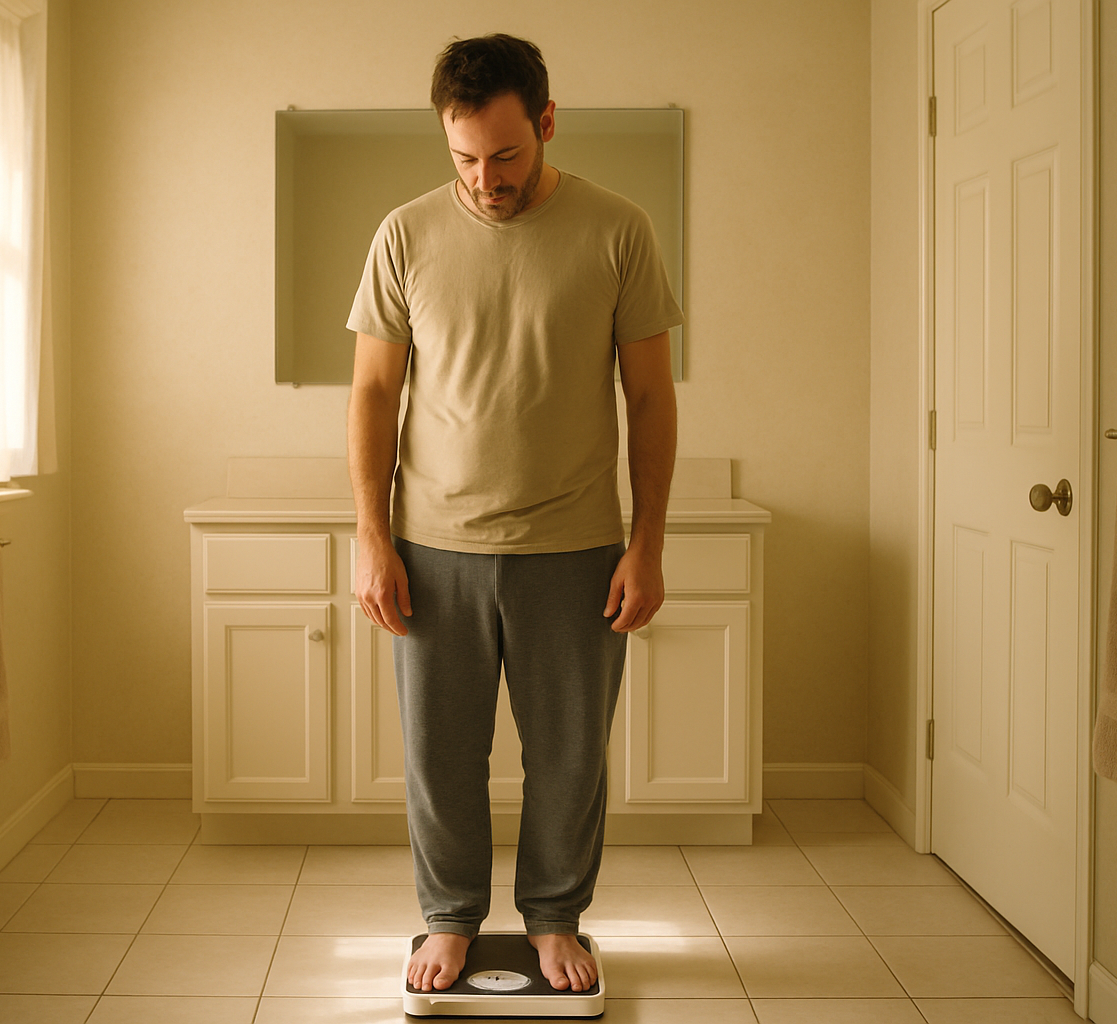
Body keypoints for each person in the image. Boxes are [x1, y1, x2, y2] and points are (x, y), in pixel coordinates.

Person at [346, 33, 682, 996]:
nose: (484, 180)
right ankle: (449, 918)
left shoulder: (618, 230)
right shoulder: (404, 235)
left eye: (505, 155)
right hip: (432, 546)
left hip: (575, 546)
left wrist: (647, 543)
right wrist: (372, 539)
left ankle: (553, 920)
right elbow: (373, 392)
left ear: (544, 123)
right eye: (463, 158)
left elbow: (650, 399)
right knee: (439, 755)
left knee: (569, 757)